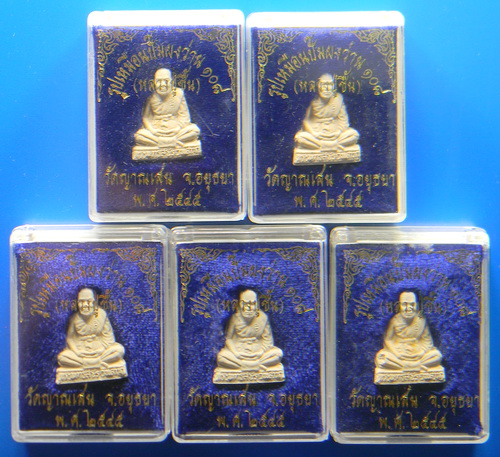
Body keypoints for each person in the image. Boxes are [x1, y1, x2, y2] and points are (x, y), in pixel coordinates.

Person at [133, 68, 201, 158]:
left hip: (176, 131)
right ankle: (173, 143)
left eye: (166, 81)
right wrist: (153, 130)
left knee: (194, 130)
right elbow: (146, 118)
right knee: (139, 135)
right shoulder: (151, 98)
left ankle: (162, 144)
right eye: (159, 81)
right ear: (154, 83)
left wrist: (177, 128)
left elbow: (185, 116)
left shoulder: (178, 94)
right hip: (157, 132)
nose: (163, 84)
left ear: (172, 82)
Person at [293, 73, 360, 164]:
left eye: (330, 84)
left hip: (336, 135)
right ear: (319, 86)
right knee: (300, 137)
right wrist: (314, 133)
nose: (327, 88)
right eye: (324, 84)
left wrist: (339, 132)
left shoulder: (338, 100)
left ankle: (323, 147)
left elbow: (344, 120)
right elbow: (306, 121)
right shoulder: (314, 102)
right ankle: (333, 147)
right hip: (317, 135)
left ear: (333, 86)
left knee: (354, 134)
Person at [215, 289, 283, 374]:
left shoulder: (263, 318)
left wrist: (261, 352)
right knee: (221, 356)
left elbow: (268, 340)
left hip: (258, 354)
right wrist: (236, 353)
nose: (248, 307)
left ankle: (244, 366)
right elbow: (228, 339)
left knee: (278, 353)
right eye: (245, 303)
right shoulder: (235, 318)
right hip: (240, 354)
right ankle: (255, 366)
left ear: (256, 305)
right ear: (240, 304)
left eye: (252, 304)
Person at [57, 288, 126, 370]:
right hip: (81, 352)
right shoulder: (74, 318)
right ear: (77, 303)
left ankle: (86, 365)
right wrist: (77, 352)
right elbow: (70, 338)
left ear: (94, 302)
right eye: (81, 302)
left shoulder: (100, 314)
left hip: (100, 352)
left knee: (119, 350)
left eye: (89, 301)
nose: (85, 305)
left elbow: (109, 337)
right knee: (62, 357)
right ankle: (96, 364)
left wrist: (101, 350)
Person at [375, 291, 443, 372]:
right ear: (399, 306)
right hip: (399, 354)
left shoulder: (421, 319)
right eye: (405, 304)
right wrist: (397, 353)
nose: (409, 308)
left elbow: (427, 341)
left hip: (418, 354)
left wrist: (421, 352)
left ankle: (405, 367)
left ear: (417, 305)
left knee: (437, 355)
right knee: (381, 357)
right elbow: (388, 340)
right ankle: (417, 366)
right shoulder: (395, 320)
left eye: (412, 304)